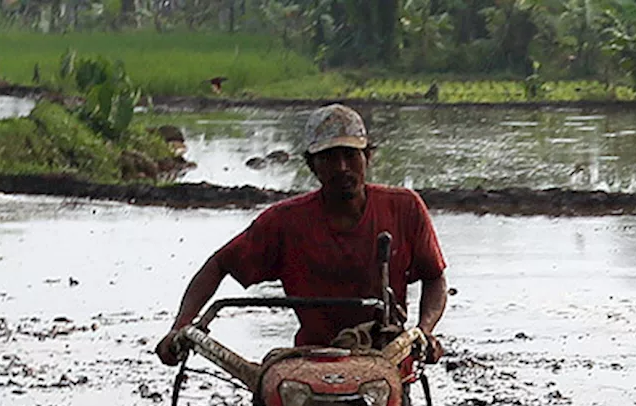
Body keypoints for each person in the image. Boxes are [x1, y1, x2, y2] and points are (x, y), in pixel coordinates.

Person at [155, 103, 448, 366]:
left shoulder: (404, 208)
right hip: (311, 361)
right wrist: (181, 326)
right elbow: (219, 265)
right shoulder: (286, 222)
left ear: (367, 158)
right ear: (312, 165)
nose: (342, 167)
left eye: (350, 156)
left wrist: (424, 330)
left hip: (385, 361)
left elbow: (434, 276)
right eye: (329, 158)